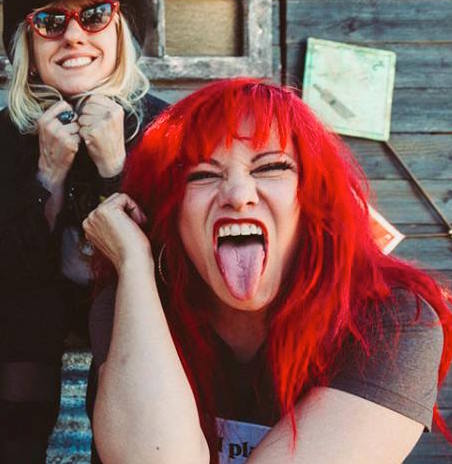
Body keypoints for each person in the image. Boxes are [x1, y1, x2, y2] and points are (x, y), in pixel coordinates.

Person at [84, 78, 452, 463]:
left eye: (272, 167)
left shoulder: (391, 320)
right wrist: (134, 264)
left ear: (313, 198)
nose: (238, 196)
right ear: (171, 212)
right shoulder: (134, 303)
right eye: (202, 175)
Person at [0, 0, 168, 460]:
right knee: (27, 316)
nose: (74, 36)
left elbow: (168, 260)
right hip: (40, 289)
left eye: (95, 16)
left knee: (116, 319)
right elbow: (11, 266)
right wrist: (48, 174)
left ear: (120, 33)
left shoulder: (163, 127)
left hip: (135, 295)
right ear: (30, 44)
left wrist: (114, 168)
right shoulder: (2, 135)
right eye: (51, 22)